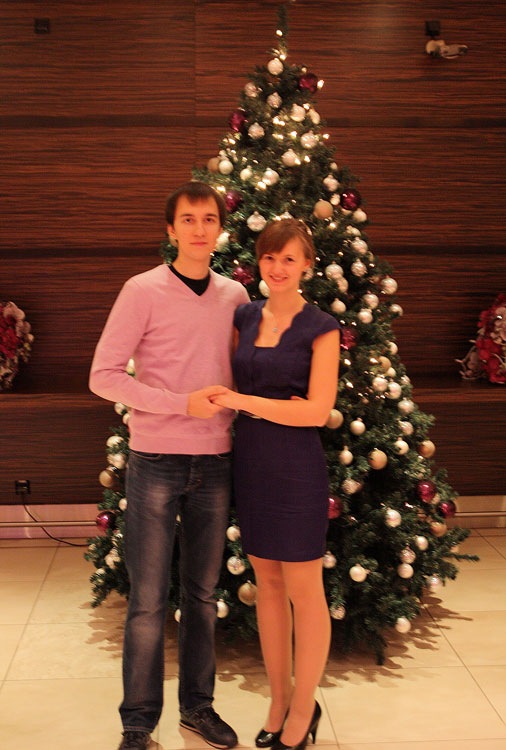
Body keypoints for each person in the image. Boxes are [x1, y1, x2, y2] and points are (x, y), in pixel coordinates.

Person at [89, 181, 249, 750]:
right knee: (148, 600)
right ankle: (138, 724)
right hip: (155, 459)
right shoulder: (142, 290)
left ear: (220, 228)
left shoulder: (235, 296)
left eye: (209, 219)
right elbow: (103, 376)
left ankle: (197, 709)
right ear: (171, 229)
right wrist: (180, 404)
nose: (200, 229)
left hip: (215, 463)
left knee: (203, 596)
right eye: (188, 219)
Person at [211, 219, 340, 750]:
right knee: (267, 584)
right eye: (269, 257)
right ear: (258, 262)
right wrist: (271, 407)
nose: (277, 268)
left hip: (296, 467)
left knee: (305, 591)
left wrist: (245, 402)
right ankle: (279, 700)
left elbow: (317, 411)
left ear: (307, 264)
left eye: (289, 258)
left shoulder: (322, 327)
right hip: (252, 464)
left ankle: (305, 706)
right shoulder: (243, 316)